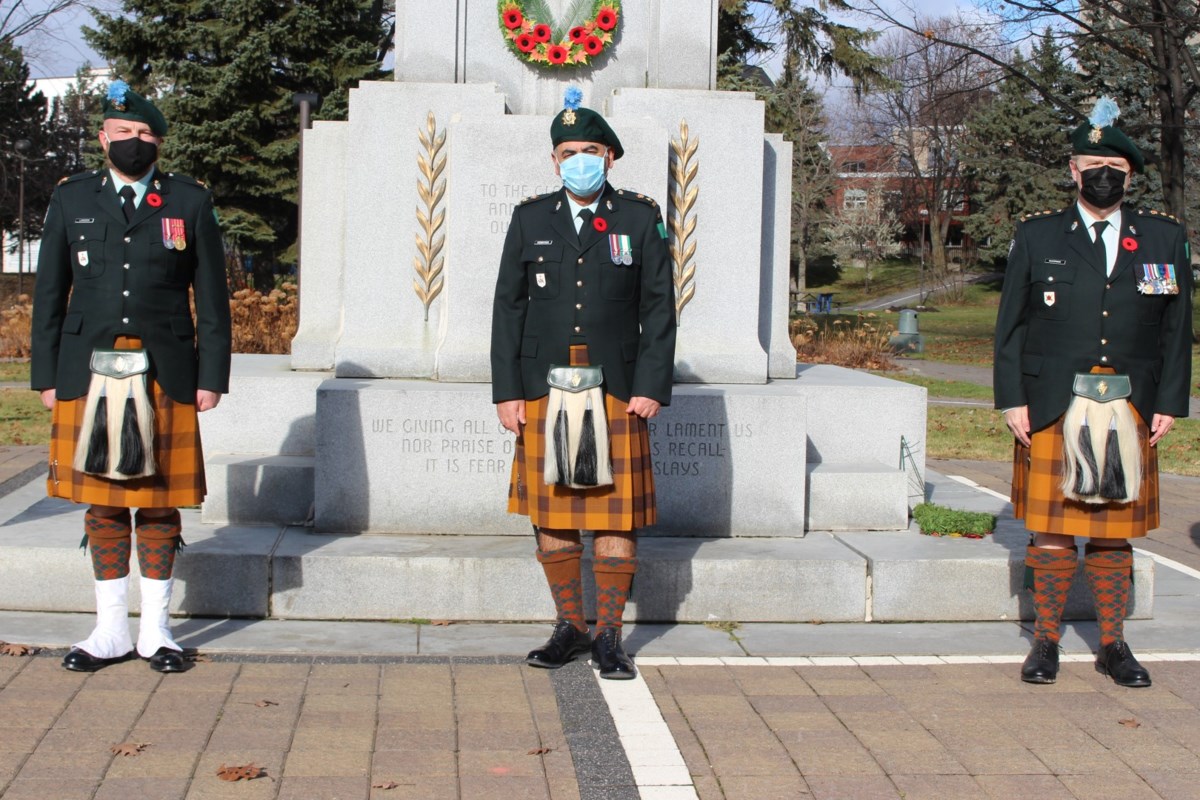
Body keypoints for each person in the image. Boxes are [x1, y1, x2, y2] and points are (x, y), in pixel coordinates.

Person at [31, 80, 231, 673]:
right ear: (103, 139)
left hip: (164, 372)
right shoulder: (71, 200)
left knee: (160, 506)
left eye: (145, 134)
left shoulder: (189, 202)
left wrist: (211, 375)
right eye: (123, 133)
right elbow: (49, 294)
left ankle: (158, 632)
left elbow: (213, 301)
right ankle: (109, 631)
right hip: (86, 371)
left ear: (160, 143)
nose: (134, 143)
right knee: (103, 505)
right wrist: (46, 374)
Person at [994, 98, 1193, 687]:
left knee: (1113, 535)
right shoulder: (1037, 235)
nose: (1104, 174)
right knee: (1053, 531)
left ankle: (1112, 644)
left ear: (1129, 176)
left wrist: (1169, 402)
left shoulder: (1163, 237)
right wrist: (1012, 398)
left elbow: (1178, 327)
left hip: (1130, 404)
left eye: (1116, 167)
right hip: (1053, 399)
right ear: (1074, 171)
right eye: (1092, 163)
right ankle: (1046, 644)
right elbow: (1011, 324)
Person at [491, 89, 676, 679]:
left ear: (610, 157)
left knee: (614, 517)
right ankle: (570, 625)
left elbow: (659, 310)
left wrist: (651, 384)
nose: (579, 160)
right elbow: (507, 309)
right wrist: (506, 390)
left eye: (589, 150)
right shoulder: (529, 218)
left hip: (617, 386)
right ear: (554, 160)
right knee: (554, 514)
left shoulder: (640, 218)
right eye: (568, 151)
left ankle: (610, 636)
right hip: (543, 387)